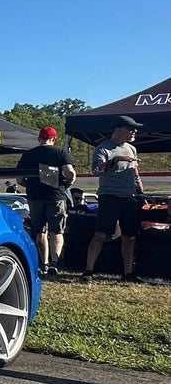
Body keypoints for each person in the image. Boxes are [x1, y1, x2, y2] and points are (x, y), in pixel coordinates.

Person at [82, 116, 144, 283]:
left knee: (129, 236)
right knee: (101, 234)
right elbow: (96, 170)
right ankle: (88, 271)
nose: (134, 132)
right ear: (118, 130)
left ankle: (127, 273)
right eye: (131, 129)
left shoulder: (131, 148)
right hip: (109, 196)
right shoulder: (103, 149)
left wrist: (141, 191)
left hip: (130, 197)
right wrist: (116, 160)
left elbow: (135, 171)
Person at [16, 126, 76, 277]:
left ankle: (44, 263)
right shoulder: (60, 152)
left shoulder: (28, 155)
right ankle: (54, 263)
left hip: (35, 196)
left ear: (39, 138)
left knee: (40, 231)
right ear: (54, 139)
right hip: (55, 195)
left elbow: (19, 179)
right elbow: (70, 173)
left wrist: (31, 185)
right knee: (57, 230)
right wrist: (67, 184)